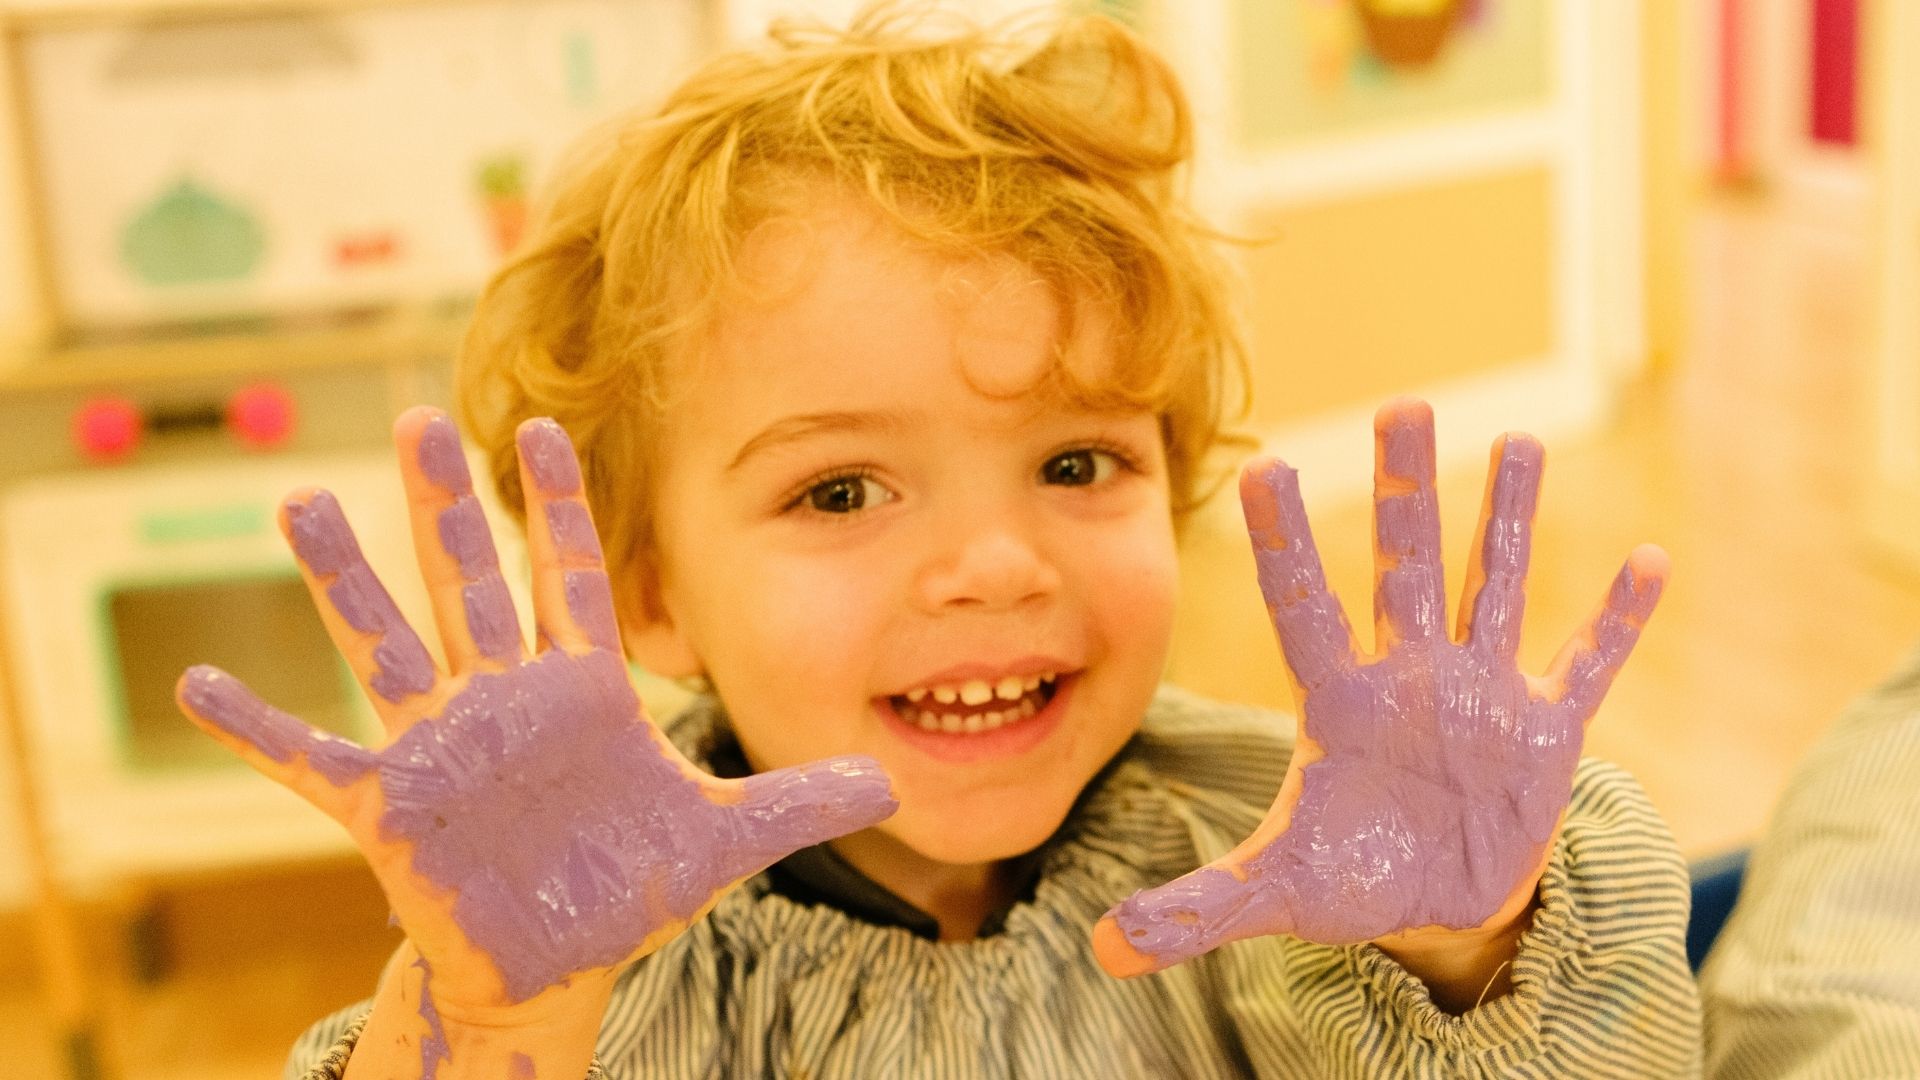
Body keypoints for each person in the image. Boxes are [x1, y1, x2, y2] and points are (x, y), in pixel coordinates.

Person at [175, 7, 1701, 1077]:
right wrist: (496, 1032)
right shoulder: (587, 948)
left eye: (1077, 461)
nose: (996, 564)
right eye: (840, 493)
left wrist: (1469, 949)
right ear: (650, 592)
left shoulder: (1285, 864)